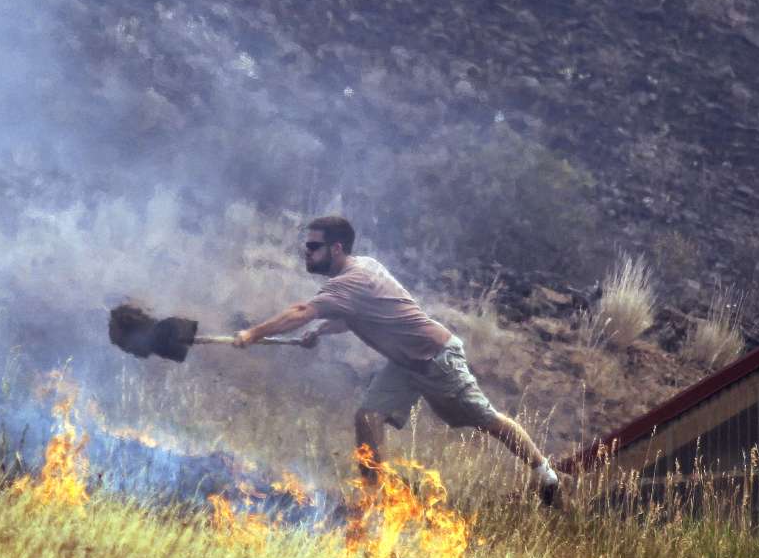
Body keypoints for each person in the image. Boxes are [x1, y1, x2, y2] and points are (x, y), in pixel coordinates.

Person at [231, 215, 560, 505]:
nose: (307, 251)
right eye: (307, 245)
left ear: (336, 249)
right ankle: (374, 499)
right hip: (404, 364)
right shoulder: (364, 267)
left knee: (484, 419)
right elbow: (353, 316)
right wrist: (321, 332)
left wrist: (253, 334)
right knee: (368, 416)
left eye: (314, 246)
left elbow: (301, 312)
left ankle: (544, 472)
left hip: (437, 358)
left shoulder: (350, 281)